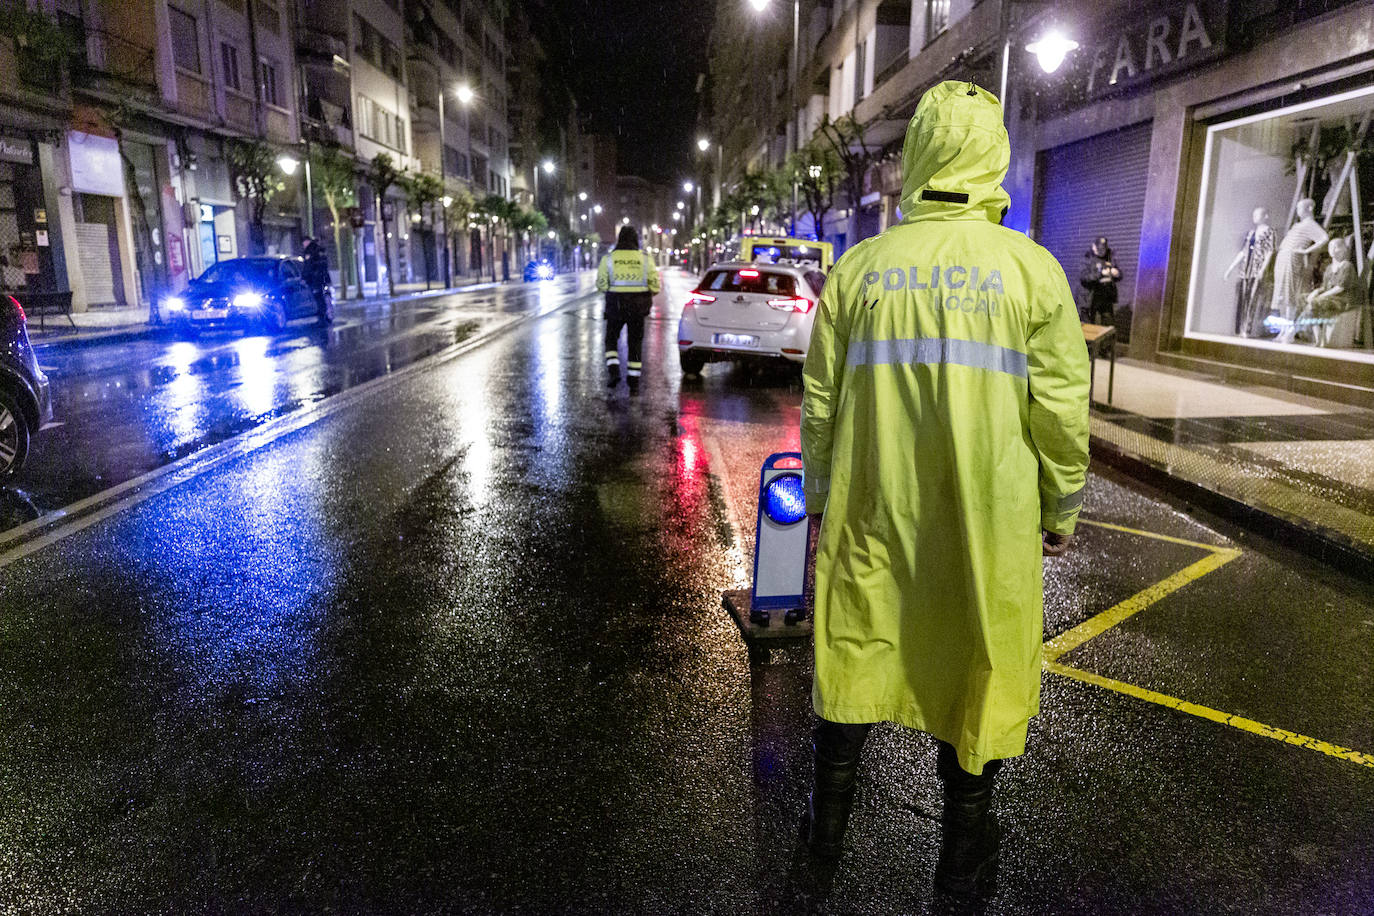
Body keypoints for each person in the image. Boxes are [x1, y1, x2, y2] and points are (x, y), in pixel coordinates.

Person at [799, 81, 1090, 900]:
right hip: (987, 523)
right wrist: (1061, 505)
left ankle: (821, 851)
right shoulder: (1032, 273)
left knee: (855, 652)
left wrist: (819, 498)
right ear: (991, 155)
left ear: (919, 154)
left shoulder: (859, 271)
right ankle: (959, 869)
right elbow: (1061, 412)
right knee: (980, 664)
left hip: (871, 511)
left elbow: (819, 404)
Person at [595, 226, 661, 393]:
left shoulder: (608, 259)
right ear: (635, 240)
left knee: (610, 340)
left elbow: (601, 285)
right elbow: (655, 286)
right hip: (638, 308)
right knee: (635, 343)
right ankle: (634, 381)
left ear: (619, 239)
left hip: (615, 306)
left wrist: (615, 290)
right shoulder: (646, 259)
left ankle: (614, 371)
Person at [1078, 235, 1120, 325]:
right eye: (1099, 249)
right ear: (1093, 246)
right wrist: (1101, 274)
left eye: (1103, 249)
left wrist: (1116, 273)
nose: (1101, 251)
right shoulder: (1087, 258)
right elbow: (1084, 277)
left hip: (1105, 298)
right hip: (1089, 299)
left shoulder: (1109, 257)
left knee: (1108, 326)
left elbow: (1119, 274)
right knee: (1088, 328)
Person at [301, 237, 330, 316]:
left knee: (318, 297)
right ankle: (324, 315)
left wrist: (304, 277)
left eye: (303, 243)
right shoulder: (319, 250)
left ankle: (322, 316)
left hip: (315, 279)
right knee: (321, 297)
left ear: (307, 242)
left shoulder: (310, 251)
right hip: (321, 278)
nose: (303, 245)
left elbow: (308, 266)